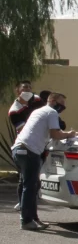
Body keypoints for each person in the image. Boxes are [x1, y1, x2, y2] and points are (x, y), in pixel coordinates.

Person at [12, 93, 76, 230]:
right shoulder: (51, 112)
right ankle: (27, 221)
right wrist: (70, 134)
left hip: (18, 150)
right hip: (30, 151)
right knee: (31, 187)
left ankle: (33, 218)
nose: (63, 106)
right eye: (61, 103)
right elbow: (56, 135)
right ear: (52, 101)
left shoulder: (38, 111)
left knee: (29, 185)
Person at [8, 81, 45, 212]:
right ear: (17, 90)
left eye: (29, 87)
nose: (28, 89)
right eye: (24, 87)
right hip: (26, 145)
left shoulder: (37, 100)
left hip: (41, 143)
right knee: (26, 178)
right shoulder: (14, 110)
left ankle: (30, 203)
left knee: (35, 176)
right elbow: (24, 128)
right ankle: (24, 205)